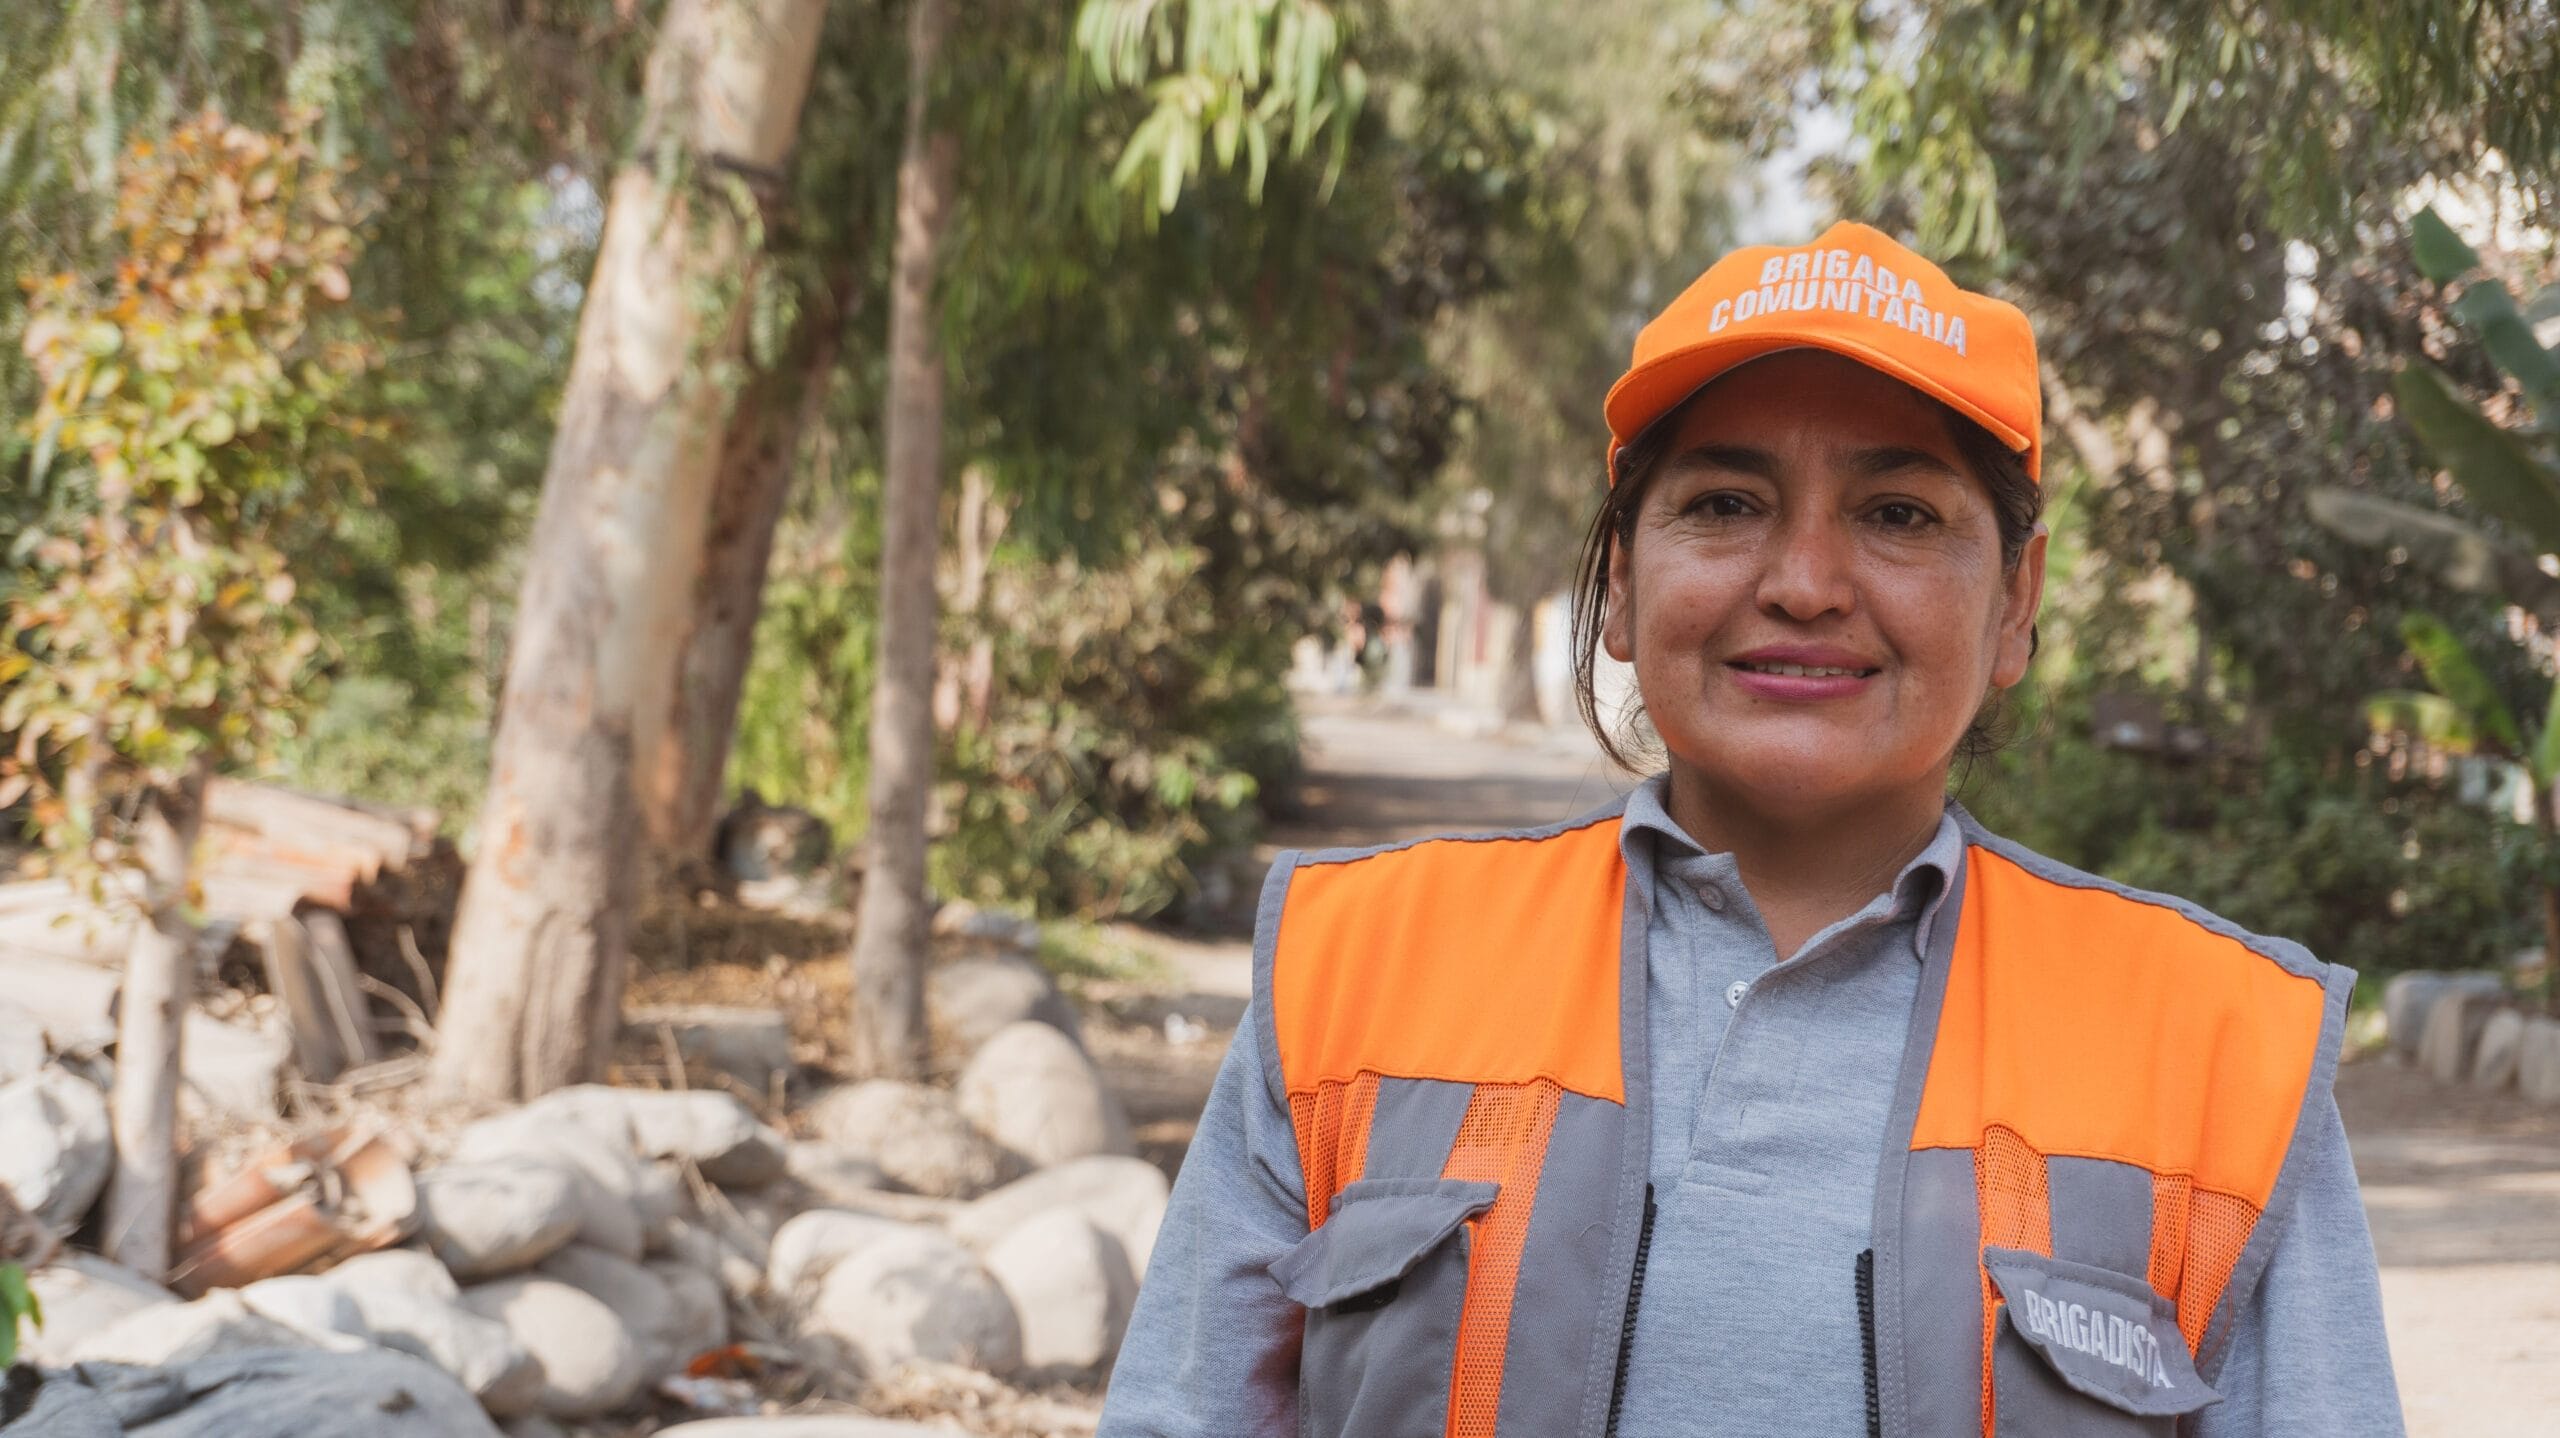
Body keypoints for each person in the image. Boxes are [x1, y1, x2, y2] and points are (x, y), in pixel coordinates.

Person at [1093, 221, 2403, 1437]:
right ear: (1618, 578)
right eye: (1724, 504)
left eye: (1899, 514)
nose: (1803, 583)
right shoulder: (1350, 971)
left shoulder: (2228, 1052)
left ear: (2016, 605)